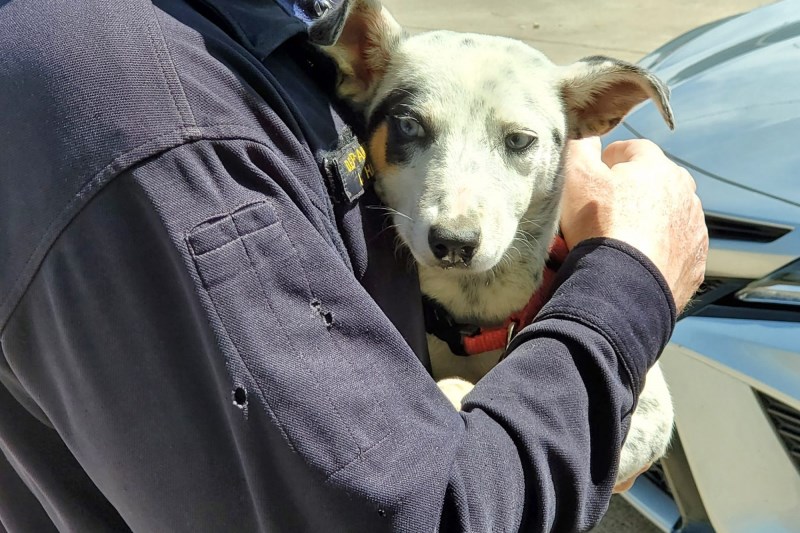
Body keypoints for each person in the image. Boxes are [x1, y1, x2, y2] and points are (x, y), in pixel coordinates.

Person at [0, 0, 707, 531]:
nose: (455, 215)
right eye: (412, 129)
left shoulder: (262, 28)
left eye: (517, 142)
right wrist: (628, 280)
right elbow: (429, 508)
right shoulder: (158, 114)